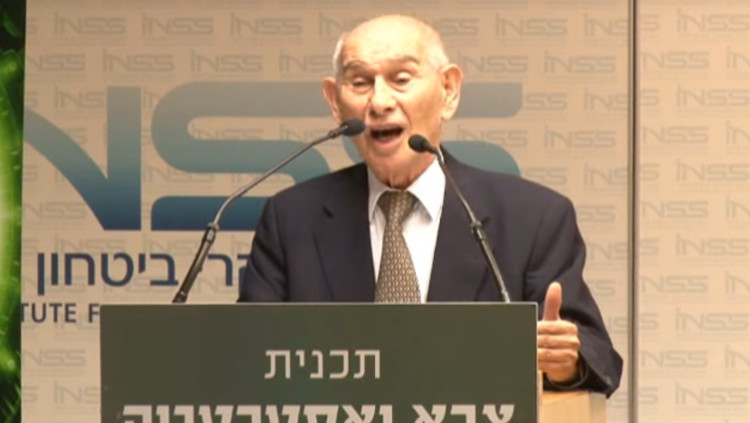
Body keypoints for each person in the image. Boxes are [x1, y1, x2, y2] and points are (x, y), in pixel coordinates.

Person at [239, 14, 622, 397]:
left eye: (401, 79)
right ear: (335, 101)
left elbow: (598, 356)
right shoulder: (291, 220)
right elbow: (244, 356)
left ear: (449, 91)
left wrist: (565, 362)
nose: (379, 102)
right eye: (360, 82)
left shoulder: (533, 218)